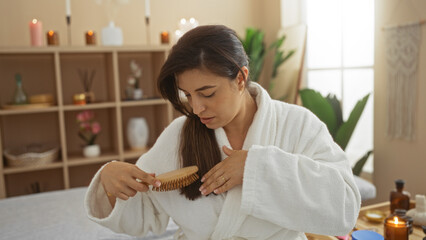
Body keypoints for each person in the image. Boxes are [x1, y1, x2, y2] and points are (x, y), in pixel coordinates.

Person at [85, 25, 361, 240]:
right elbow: (143, 214)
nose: (196, 107)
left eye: (207, 93)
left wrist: (257, 168)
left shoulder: (297, 125)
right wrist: (110, 182)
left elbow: (344, 209)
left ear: (240, 78)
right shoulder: (179, 135)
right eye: (188, 95)